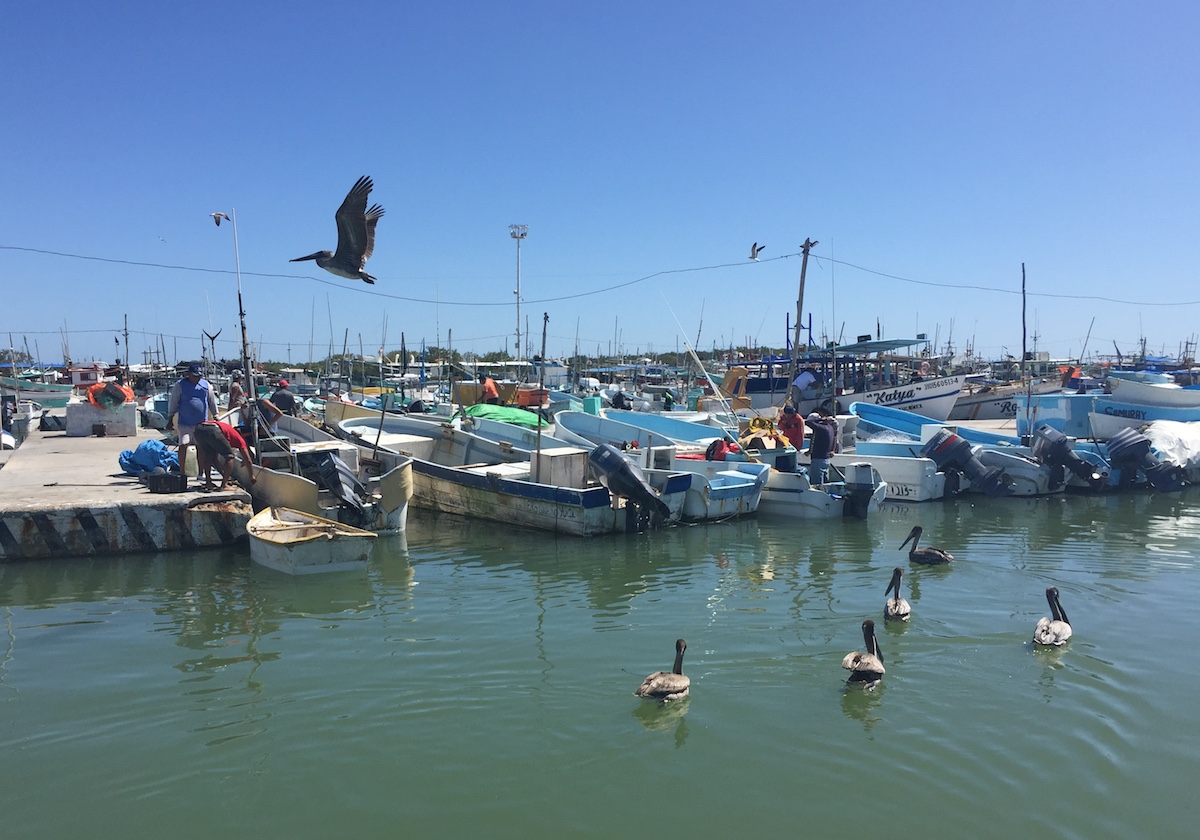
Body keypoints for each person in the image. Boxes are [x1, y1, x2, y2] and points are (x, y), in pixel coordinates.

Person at [166, 362, 219, 485]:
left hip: (201, 423)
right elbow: (174, 402)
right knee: (183, 444)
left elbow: (211, 401)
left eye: (199, 376)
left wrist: (216, 416)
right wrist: (170, 418)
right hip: (185, 423)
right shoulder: (180, 385)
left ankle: (200, 473)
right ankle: (182, 471)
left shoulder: (206, 385)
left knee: (200, 447)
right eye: (194, 376)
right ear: (188, 374)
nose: (197, 378)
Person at [194, 419, 257, 492]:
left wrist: (225, 475)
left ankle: (208, 483)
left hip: (199, 429)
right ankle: (224, 485)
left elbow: (215, 460)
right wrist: (251, 476)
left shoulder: (228, 433)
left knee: (209, 456)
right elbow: (248, 460)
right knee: (230, 456)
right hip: (213, 429)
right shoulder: (240, 440)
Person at [805, 410, 838, 485]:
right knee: (826, 484)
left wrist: (820, 419)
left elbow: (807, 422)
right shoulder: (830, 428)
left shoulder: (821, 428)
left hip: (818, 460)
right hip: (826, 460)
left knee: (817, 485)